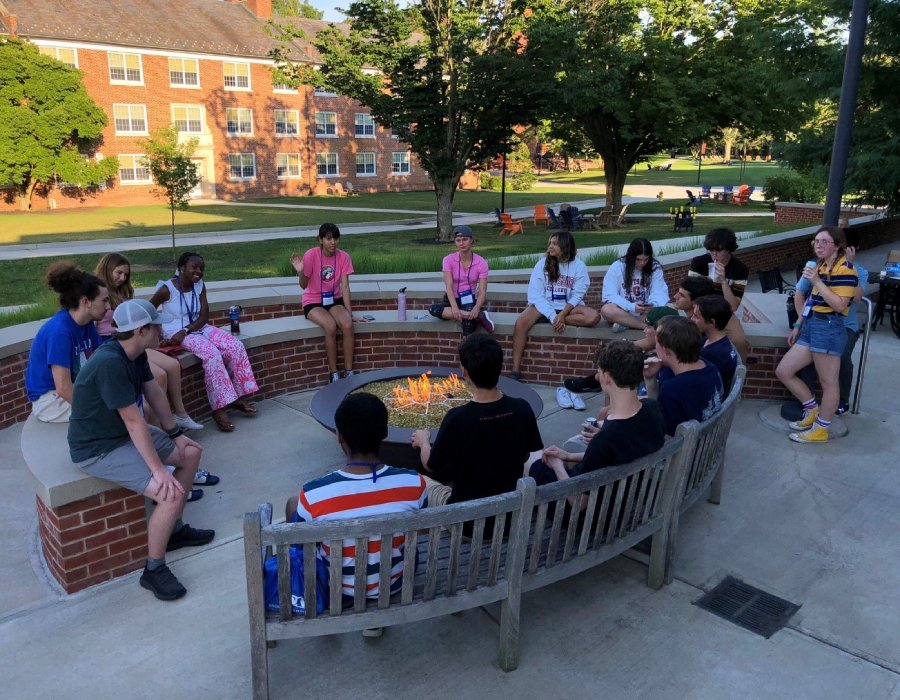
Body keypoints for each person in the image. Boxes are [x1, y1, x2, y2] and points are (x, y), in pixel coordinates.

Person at [68, 299, 215, 601]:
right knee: (169, 491)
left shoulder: (134, 354)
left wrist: (175, 434)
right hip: (97, 448)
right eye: (157, 325)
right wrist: (160, 471)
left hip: (121, 434)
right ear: (141, 330)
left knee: (190, 453)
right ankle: (154, 569)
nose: (162, 329)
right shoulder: (110, 363)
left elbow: (154, 391)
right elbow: (134, 422)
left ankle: (174, 530)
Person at [287, 393, 426, 620]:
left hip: (340, 589)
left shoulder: (314, 494)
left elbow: (299, 542)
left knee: (294, 505)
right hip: (394, 583)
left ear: (339, 436)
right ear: (385, 432)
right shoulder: (414, 483)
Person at [412, 334, 543, 506]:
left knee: (416, 480)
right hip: (509, 514)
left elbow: (431, 465)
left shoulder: (457, 418)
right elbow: (525, 455)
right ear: (499, 367)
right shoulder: (522, 408)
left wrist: (423, 442)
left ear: (465, 372)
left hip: (465, 520)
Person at [149, 252, 260, 433]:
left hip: (195, 328)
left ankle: (236, 397)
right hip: (177, 333)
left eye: (202, 268)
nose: (199, 272)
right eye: (194, 267)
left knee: (235, 346)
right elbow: (149, 309)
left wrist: (187, 329)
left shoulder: (199, 285)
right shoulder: (167, 289)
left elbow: (204, 316)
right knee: (212, 355)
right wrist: (159, 333)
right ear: (182, 268)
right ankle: (219, 409)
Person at [530, 340, 666, 487]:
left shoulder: (605, 439)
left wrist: (557, 465)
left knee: (530, 456)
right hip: (628, 491)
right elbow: (608, 457)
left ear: (606, 377)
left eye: (599, 372)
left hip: (583, 501)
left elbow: (578, 502)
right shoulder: (653, 408)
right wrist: (569, 456)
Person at [94, 253, 203, 432]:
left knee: (173, 365)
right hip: (115, 345)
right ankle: (158, 428)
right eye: (119, 273)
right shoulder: (98, 294)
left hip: (131, 338)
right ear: (107, 269)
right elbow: (92, 331)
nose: (122, 278)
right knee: (158, 375)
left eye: (126, 275)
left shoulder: (123, 292)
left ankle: (180, 415)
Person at [775, 226, 858, 444]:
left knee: (828, 381)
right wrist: (798, 324)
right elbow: (812, 300)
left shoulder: (846, 270)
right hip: (811, 325)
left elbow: (840, 305)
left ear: (837, 245)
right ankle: (812, 410)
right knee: (784, 370)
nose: (818, 245)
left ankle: (821, 429)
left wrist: (817, 281)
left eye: (824, 242)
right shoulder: (821, 265)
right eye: (816, 241)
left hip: (830, 327)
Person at [510, 231, 600, 380]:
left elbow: (578, 294)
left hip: (568, 307)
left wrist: (562, 315)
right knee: (520, 323)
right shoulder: (542, 263)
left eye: (555, 244)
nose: (550, 247)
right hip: (544, 305)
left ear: (565, 247)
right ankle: (515, 371)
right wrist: (552, 315)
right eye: (550, 243)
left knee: (594, 317)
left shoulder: (579, 266)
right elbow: (535, 295)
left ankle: (557, 319)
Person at [25, 262, 108, 423]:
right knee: (116, 411)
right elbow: (63, 388)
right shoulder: (60, 332)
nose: (108, 306)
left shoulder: (87, 324)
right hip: (50, 400)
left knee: (126, 399)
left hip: (75, 387)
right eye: (104, 301)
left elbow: (100, 362)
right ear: (86, 302)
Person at [794, 242, 867, 416]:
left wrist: (850, 267)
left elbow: (857, 298)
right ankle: (809, 403)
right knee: (803, 360)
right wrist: (800, 323)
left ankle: (842, 400)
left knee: (843, 357)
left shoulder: (857, 270)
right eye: (816, 242)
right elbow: (800, 294)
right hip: (815, 322)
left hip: (844, 326)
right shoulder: (814, 266)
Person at [290, 223, 356, 383]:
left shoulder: (343, 257)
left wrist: (349, 313)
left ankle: (349, 371)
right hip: (313, 300)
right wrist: (300, 271)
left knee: (347, 324)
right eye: (328, 239)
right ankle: (334, 374)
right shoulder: (311, 255)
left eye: (335, 238)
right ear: (320, 240)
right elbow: (303, 285)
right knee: (330, 325)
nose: (333, 242)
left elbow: (345, 287)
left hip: (334, 299)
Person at [643, 316, 724, 437]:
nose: (655, 347)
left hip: (685, 451)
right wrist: (650, 379)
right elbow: (659, 411)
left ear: (667, 351)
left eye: (656, 343)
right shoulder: (710, 368)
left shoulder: (673, 389)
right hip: (705, 440)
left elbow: (664, 435)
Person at [688, 228, 750, 361]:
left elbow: (733, 306)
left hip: (723, 312)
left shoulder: (739, 269)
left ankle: (738, 373)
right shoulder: (699, 263)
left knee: (740, 342)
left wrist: (723, 280)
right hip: (698, 309)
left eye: (719, 251)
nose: (714, 255)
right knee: (688, 340)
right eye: (711, 250)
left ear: (729, 249)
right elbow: (690, 294)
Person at [428, 225, 494, 335]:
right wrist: (454, 307)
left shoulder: (481, 262)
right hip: (451, 298)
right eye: (458, 240)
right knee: (433, 310)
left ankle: (465, 347)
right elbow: (448, 286)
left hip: (468, 299)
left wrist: (477, 307)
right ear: (455, 242)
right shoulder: (448, 260)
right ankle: (478, 316)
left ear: (471, 240)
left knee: (468, 325)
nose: (461, 243)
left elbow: (482, 292)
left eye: (465, 239)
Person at [600, 238, 670, 332]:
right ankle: (644, 326)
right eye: (638, 259)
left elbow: (660, 292)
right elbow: (609, 295)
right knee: (606, 310)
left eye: (646, 259)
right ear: (631, 256)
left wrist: (652, 305)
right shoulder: (617, 267)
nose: (642, 263)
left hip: (646, 314)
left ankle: (627, 325)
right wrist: (630, 306)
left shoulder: (655, 267)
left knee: (670, 309)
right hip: (623, 312)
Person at [691, 294, 740, 390]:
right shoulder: (716, 342)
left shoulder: (713, 354)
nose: (692, 319)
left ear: (712, 322)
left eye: (696, 316)